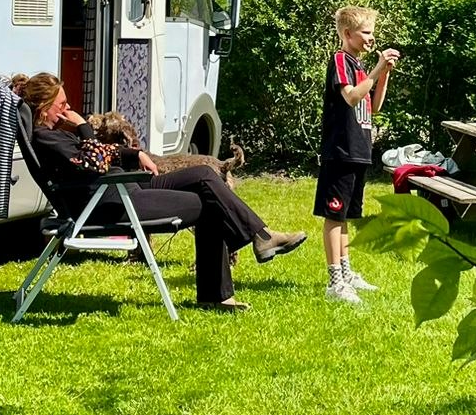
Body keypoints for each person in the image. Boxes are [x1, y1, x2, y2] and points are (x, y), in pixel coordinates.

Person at [17, 72, 306, 311]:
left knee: (206, 175)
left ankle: (261, 238)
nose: (69, 110)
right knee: (210, 202)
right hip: (112, 201)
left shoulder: (55, 133)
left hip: (126, 186)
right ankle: (223, 286)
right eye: (62, 105)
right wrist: (83, 127)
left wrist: (133, 155)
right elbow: (92, 159)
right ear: (45, 108)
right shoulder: (46, 138)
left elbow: (98, 154)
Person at [315, 6, 399, 304]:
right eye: (365, 33)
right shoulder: (340, 60)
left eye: (372, 32)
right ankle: (334, 280)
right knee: (334, 215)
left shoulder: (361, 66)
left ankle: (347, 273)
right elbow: (350, 96)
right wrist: (376, 69)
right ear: (348, 34)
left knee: (347, 215)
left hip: (359, 150)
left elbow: (373, 106)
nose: (371, 38)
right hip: (340, 150)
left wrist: (383, 74)